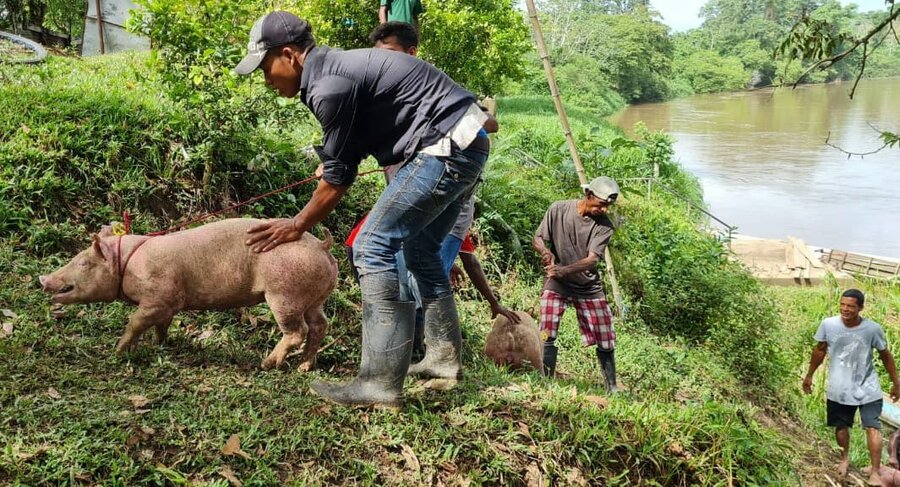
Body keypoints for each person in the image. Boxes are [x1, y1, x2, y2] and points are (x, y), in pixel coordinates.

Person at [235, 11, 490, 408]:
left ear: (289, 55)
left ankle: (379, 384)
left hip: (444, 147)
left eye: (266, 68)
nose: (267, 80)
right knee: (421, 253)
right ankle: (442, 360)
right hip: (466, 141)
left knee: (372, 244)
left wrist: (297, 224)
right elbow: (345, 156)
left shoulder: (328, 84)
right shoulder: (333, 72)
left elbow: (337, 180)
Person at [803, 289, 900, 485]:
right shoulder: (828, 325)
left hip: (868, 388)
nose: (845, 309)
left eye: (851, 306)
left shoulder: (872, 329)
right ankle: (844, 459)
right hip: (839, 388)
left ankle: (874, 472)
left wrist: (896, 382)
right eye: (843, 305)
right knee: (841, 426)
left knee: (873, 427)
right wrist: (809, 375)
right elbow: (819, 351)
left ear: (860, 308)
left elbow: (885, 355)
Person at [532, 176, 618, 392]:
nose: (604, 210)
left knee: (605, 337)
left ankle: (612, 387)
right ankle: (545, 381)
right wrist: (545, 251)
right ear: (589, 195)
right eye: (601, 204)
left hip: (588, 287)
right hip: (557, 285)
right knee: (547, 331)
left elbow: (592, 260)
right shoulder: (558, 209)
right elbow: (538, 238)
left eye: (607, 206)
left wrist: (563, 270)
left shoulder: (604, 227)